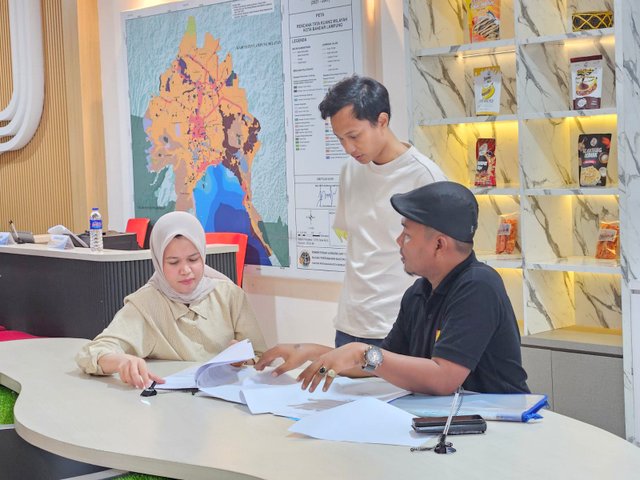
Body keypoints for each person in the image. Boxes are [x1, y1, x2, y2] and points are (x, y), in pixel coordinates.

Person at [256, 181, 529, 395]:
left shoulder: (478, 286)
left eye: (407, 235)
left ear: (439, 245)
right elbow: (380, 365)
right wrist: (311, 352)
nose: (399, 241)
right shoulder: (418, 293)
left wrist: (361, 351)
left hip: (501, 427)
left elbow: (444, 378)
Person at [319, 74, 447, 347]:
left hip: (398, 327)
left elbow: (445, 261)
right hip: (349, 325)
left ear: (382, 121)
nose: (348, 148)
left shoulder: (425, 177)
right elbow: (358, 244)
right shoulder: (350, 171)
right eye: (340, 139)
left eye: (354, 136)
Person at [76, 211, 266, 389]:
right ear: (158, 262)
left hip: (226, 402)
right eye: (173, 262)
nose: (185, 270)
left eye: (193, 259)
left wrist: (242, 360)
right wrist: (121, 361)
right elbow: (92, 353)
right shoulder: (145, 304)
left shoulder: (230, 296)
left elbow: (261, 358)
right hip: (170, 405)